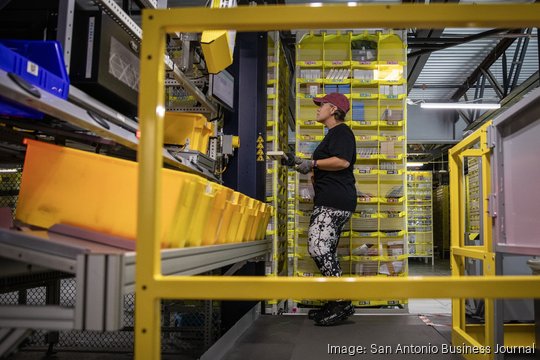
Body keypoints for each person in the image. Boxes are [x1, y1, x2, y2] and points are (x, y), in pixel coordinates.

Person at [286, 92, 357, 326]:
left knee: (317, 246)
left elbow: (343, 162)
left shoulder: (341, 132)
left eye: (322, 105)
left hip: (334, 201)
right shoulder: (332, 135)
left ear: (334, 110)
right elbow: (327, 165)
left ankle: (341, 301)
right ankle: (335, 300)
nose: (317, 109)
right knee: (326, 249)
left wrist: (313, 163)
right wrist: (302, 165)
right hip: (331, 199)